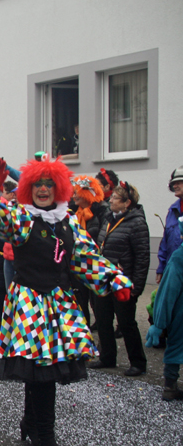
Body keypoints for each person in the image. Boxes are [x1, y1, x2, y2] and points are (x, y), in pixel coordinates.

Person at [0, 154, 133, 446]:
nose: (43, 189)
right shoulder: (22, 217)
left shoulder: (69, 220)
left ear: (59, 187)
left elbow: (87, 257)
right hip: (29, 302)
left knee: (41, 370)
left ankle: (30, 423)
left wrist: (115, 280)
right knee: (42, 371)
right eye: (37, 184)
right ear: (28, 189)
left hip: (58, 302)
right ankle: (45, 436)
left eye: (49, 184)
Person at [89, 181, 150, 376]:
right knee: (103, 320)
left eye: (115, 198)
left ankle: (138, 362)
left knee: (126, 323)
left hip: (123, 282)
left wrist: (137, 288)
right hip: (104, 279)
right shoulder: (108, 218)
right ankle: (107, 357)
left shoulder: (137, 223)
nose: (110, 200)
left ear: (127, 203)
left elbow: (142, 257)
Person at [148, 216, 183, 400]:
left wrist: (159, 322)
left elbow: (168, 293)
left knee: (176, 344)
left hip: (180, 315)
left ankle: (170, 385)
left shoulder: (179, 257)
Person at [69, 175, 106, 328]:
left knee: (98, 305)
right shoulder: (74, 212)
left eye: (77, 192)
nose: (74, 195)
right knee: (80, 301)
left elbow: (103, 238)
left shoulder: (101, 212)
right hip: (78, 262)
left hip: (94, 264)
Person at [156, 166, 183, 285]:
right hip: (173, 271)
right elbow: (166, 242)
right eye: (173, 183)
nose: (175, 186)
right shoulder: (173, 210)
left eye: (178, 182)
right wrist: (161, 268)